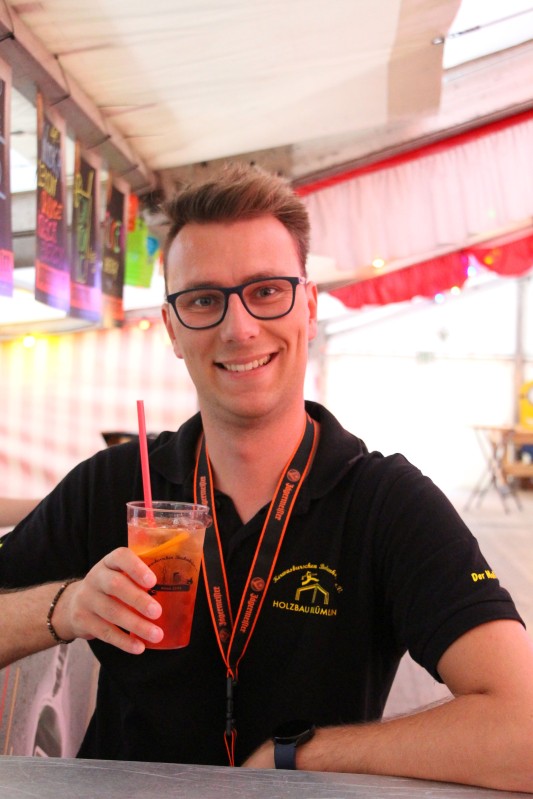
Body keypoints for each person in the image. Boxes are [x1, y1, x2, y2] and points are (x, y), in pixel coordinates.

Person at [0, 164, 532, 792]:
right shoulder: (113, 485)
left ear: (309, 306)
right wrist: (65, 608)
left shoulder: (385, 504)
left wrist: (301, 756)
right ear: (172, 329)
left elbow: (522, 727)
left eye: (267, 291)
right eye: (204, 300)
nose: (239, 327)